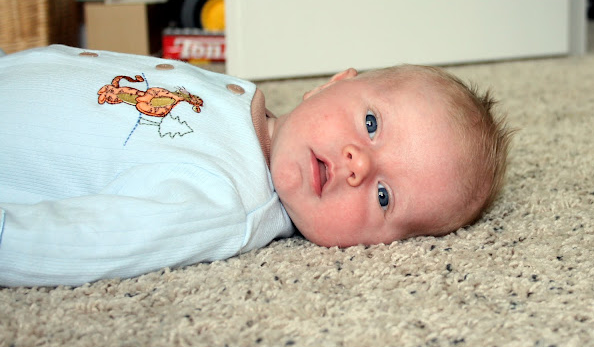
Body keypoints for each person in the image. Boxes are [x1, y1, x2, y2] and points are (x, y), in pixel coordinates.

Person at [0, 45, 512, 287]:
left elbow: (84, 242)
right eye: (372, 123)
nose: (359, 164)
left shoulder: (226, 203)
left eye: (384, 196)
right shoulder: (240, 99)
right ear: (333, 83)